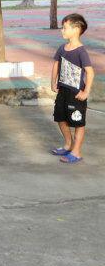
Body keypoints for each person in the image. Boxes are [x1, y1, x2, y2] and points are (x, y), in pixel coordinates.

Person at [51, 13, 95, 164]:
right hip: (63, 91)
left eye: (65, 28)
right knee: (60, 118)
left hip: (76, 94)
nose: (62, 30)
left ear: (76, 29)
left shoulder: (81, 51)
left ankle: (76, 152)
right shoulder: (62, 48)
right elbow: (56, 64)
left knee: (77, 122)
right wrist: (53, 82)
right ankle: (68, 145)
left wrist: (86, 92)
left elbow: (90, 72)